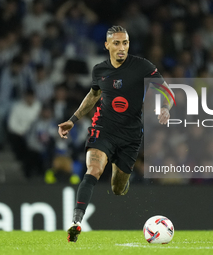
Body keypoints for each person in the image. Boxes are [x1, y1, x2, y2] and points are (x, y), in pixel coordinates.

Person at [57, 26, 174, 242]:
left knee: (118, 189)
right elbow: (93, 96)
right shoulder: (99, 71)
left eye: (126, 43)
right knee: (93, 169)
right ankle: (76, 221)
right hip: (103, 129)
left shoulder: (142, 67)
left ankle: (120, 173)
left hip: (130, 136)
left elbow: (167, 91)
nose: (122, 48)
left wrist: (165, 107)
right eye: (117, 43)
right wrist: (73, 120)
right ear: (107, 45)